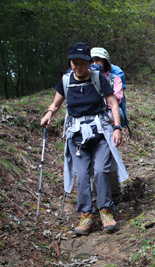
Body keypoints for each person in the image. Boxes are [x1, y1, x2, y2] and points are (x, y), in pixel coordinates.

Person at [40, 42, 128, 235]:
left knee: (100, 171)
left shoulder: (98, 78)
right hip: (76, 135)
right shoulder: (66, 81)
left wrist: (117, 128)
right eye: (74, 62)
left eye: (82, 63)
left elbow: (113, 103)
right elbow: (56, 103)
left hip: (100, 132)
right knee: (81, 175)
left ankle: (105, 211)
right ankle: (87, 216)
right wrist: (49, 113)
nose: (78, 67)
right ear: (70, 62)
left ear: (88, 62)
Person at [89, 47, 125, 206]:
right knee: (91, 160)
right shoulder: (85, 79)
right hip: (89, 122)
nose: (95, 63)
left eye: (99, 60)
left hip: (109, 119)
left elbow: (116, 99)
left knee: (110, 158)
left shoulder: (114, 79)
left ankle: (115, 192)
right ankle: (96, 195)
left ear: (105, 62)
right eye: (92, 60)